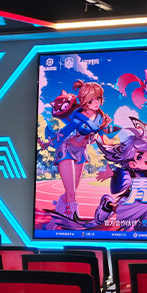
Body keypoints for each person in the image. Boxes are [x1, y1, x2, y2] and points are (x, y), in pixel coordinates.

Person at [38, 81, 115, 220]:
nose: (96, 102)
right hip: (67, 149)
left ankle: (54, 222)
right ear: (84, 101)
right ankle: (74, 221)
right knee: (71, 194)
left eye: (98, 98)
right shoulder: (77, 117)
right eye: (91, 100)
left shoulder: (99, 117)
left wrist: (105, 130)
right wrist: (46, 144)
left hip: (81, 152)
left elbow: (101, 136)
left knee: (70, 192)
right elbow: (63, 134)